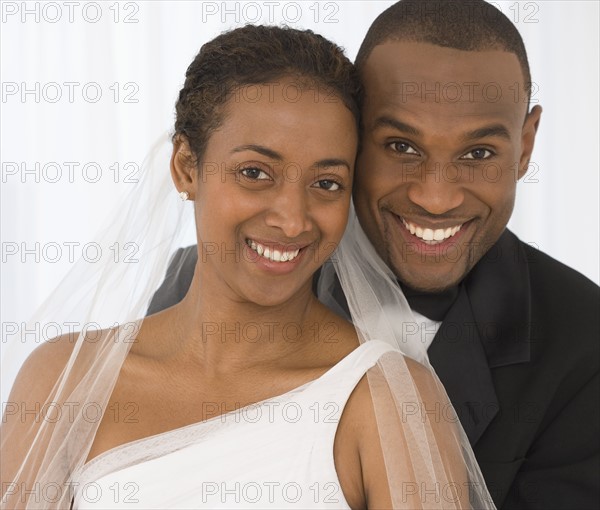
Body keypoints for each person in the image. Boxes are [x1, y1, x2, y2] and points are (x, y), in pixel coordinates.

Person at [0, 25, 494, 509]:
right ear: (186, 167)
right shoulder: (64, 381)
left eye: (326, 183)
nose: (291, 219)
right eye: (254, 173)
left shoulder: (387, 401)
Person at [147, 1, 600, 509]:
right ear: (353, 134)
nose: (436, 197)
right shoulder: (205, 278)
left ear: (525, 144)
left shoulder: (584, 340)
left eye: (478, 154)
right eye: (402, 146)